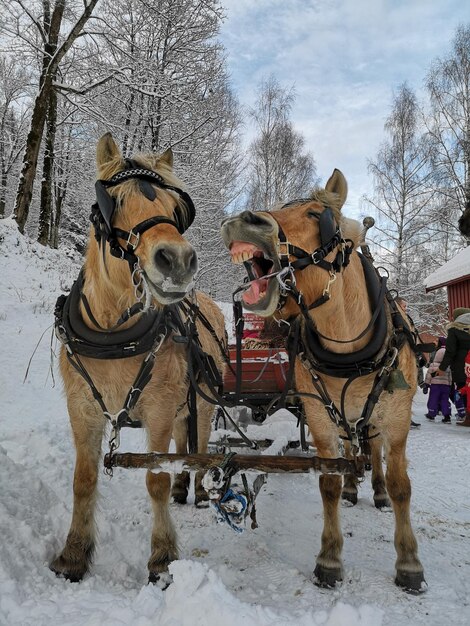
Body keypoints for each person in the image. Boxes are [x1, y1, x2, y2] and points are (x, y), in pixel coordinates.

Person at [436, 307, 470, 426]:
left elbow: (450, 351)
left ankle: (468, 418)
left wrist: (442, 368)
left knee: (465, 390)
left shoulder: (454, 329)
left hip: (462, 366)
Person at [422, 337, 452, 423]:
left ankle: (431, 414)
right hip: (446, 386)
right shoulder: (448, 367)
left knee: (433, 399)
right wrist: (450, 385)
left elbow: (429, 376)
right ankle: (447, 416)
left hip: (435, 386)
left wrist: (426, 385)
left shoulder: (433, 365)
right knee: (445, 400)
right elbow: (450, 377)